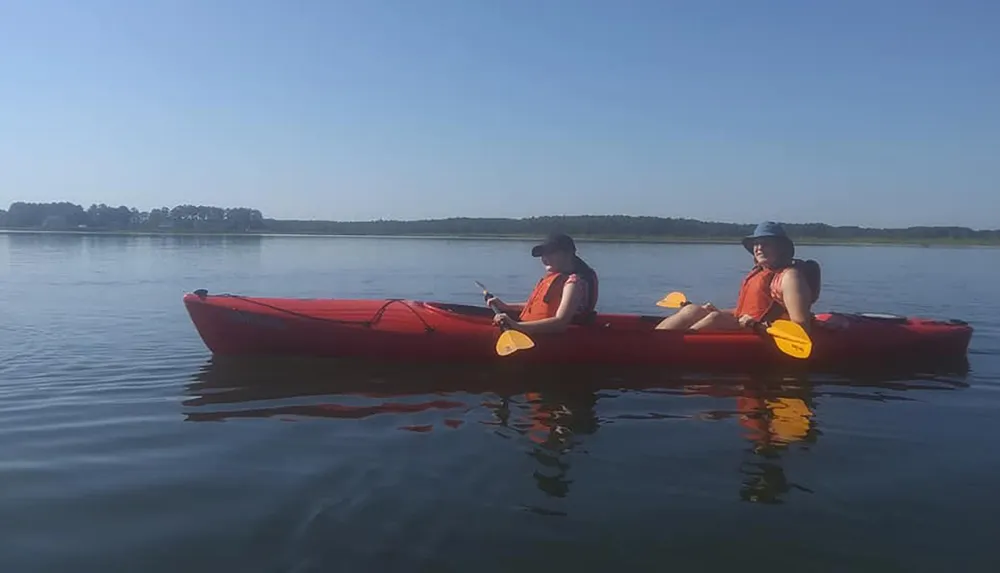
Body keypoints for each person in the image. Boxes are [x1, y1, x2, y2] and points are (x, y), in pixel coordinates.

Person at [655, 221, 820, 333]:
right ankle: (657, 338)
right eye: (756, 244)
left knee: (715, 319)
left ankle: (675, 347)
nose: (759, 248)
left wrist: (757, 326)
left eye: (766, 243)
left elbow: (801, 326)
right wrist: (716, 310)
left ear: (781, 248)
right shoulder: (761, 271)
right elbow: (747, 311)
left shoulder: (791, 278)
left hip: (763, 331)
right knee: (693, 310)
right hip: (747, 324)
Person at [487, 233, 599, 334]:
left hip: (563, 337)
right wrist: (506, 306)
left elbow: (560, 323)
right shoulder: (571, 276)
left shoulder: (574, 283)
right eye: (543, 254)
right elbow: (542, 306)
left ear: (568, 253)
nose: (545, 258)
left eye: (551, 253)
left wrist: (516, 326)